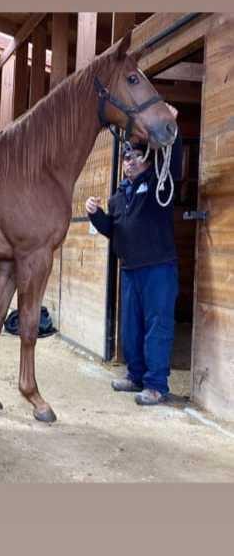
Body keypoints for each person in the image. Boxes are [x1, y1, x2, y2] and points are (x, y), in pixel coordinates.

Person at [85, 105, 183, 406]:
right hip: (130, 269)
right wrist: (96, 215)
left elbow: (174, 161)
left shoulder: (158, 184)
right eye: (126, 157)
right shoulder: (118, 197)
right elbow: (114, 232)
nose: (129, 162)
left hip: (158, 269)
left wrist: (171, 127)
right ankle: (135, 375)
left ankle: (156, 385)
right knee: (132, 327)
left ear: (146, 159)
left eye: (135, 157)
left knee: (158, 325)